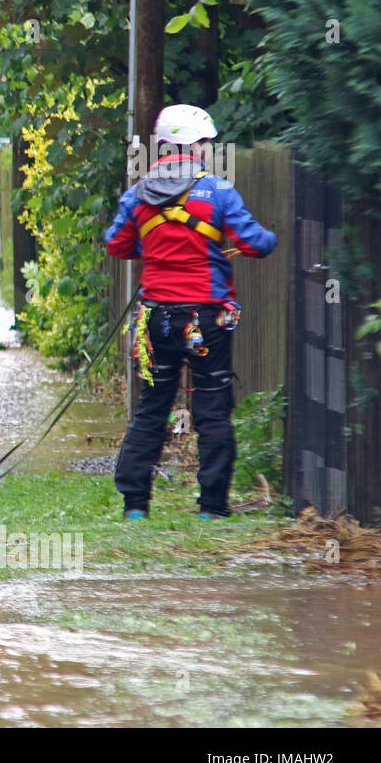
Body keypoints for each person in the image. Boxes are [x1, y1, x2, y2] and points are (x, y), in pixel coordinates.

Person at [105, 103, 277, 521]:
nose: (207, 150)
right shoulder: (217, 190)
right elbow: (256, 243)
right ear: (195, 145)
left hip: (156, 319)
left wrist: (156, 247)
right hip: (208, 319)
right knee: (212, 409)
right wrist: (268, 236)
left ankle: (135, 507)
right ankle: (212, 509)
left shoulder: (138, 193)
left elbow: (117, 245)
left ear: (164, 145)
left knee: (151, 408)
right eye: (206, 143)